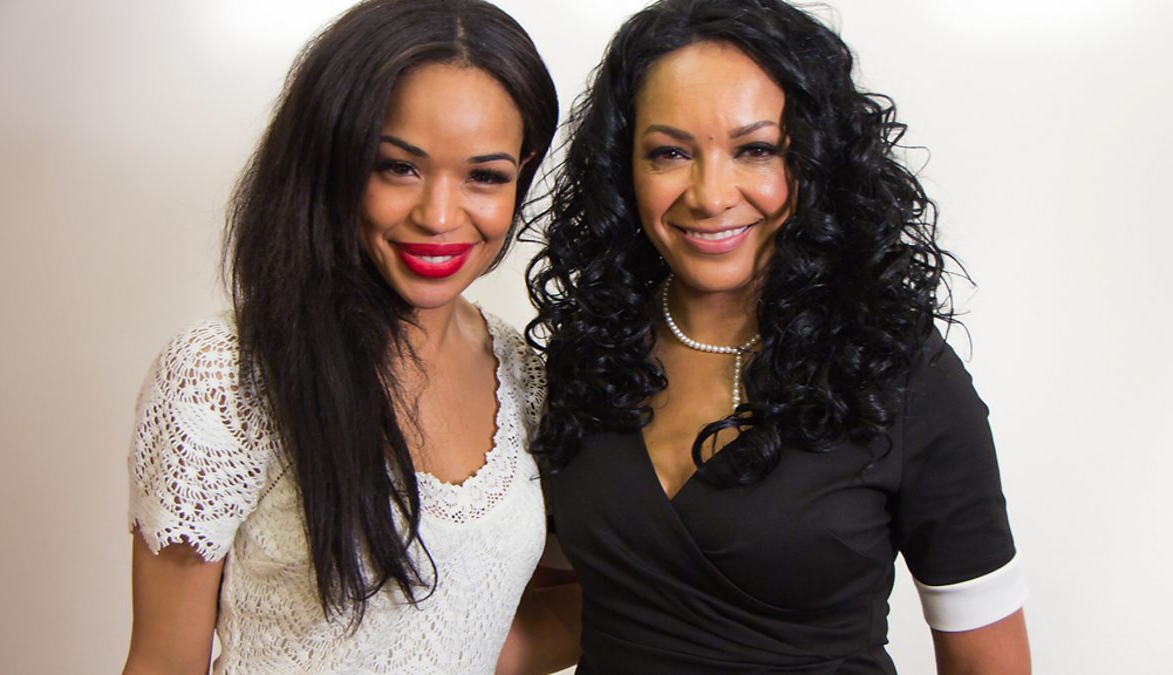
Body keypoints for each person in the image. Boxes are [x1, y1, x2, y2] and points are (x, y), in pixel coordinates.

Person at [526, 0, 1030, 672]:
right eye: (670, 152)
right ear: (624, 166)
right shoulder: (588, 352)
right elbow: (565, 608)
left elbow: (989, 659)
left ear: (816, 161)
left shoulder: (901, 373)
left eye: (756, 150)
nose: (710, 195)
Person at [122, 1, 557, 672]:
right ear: (333, 160)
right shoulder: (223, 375)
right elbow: (162, 661)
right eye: (398, 167)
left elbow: (471, 633)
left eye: (485, 176)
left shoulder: (523, 372)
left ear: (521, 174)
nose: (440, 215)